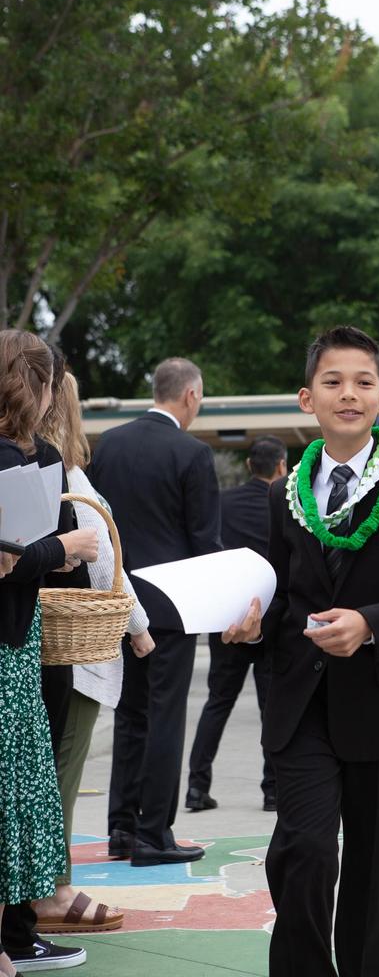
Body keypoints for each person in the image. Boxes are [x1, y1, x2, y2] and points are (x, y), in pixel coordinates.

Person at [223, 326, 379, 977]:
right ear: (307, 399)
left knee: (372, 866)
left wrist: (370, 623)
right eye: (332, 381)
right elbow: (279, 593)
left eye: (363, 382)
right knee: (303, 850)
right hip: (300, 702)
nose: (348, 393)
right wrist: (251, 625)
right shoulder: (283, 495)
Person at [33, 371, 155, 934]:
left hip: (39, 639)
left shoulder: (36, 473)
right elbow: (106, 565)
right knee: (63, 767)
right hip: (72, 649)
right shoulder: (68, 475)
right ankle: (50, 891)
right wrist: (139, 628)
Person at [89, 357, 222, 866]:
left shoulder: (109, 445)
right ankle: (153, 834)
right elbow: (205, 543)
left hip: (119, 602)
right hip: (172, 608)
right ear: (190, 395)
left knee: (129, 714)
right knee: (166, 715)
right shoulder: (192, 453)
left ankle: (121, 829)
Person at [0, 330, 98, 974]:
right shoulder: (9, 457)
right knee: (11, 796)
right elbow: (10, 559)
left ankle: (13, 941)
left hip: (20, 640)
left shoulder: (31, 454)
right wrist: (65, 549)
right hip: (8, 647)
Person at [186, 435, 287, 813]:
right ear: (282, 466)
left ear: (248, 466)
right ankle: (272, 790)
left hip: (227, 617)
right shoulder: (285, 505)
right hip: (271, 618)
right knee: (271, 707)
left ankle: (197, 787)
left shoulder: (222, 503)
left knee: (218, 702)